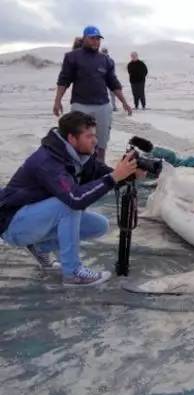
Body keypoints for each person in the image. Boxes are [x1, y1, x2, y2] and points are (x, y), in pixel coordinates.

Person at [0, 111, 141, 286]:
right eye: (89, 136)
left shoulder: (78, 156)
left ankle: (40, 247)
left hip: (34, 220)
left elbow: (101, 173)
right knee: (69, 205)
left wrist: (129, 174)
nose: (95, 141)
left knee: (99, 225)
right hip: (12, 225)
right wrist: (113, 178)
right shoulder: (48, 161)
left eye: (94, 136)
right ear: (72, 138)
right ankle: (73, 273)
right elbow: (75, 199)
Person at [53, 25, 133, 163]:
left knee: (101, 141)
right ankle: (80, 167)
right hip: (80, 105)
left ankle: (99, 165)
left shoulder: (106, 60)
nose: (96, 41)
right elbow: (64, 80)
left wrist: (124, 102)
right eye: (92, 38)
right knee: (79, 140)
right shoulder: (72, 57)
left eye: (98, 39)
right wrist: (57, 100)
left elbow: (113, 83)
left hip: (102, 106)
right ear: (84, 39)